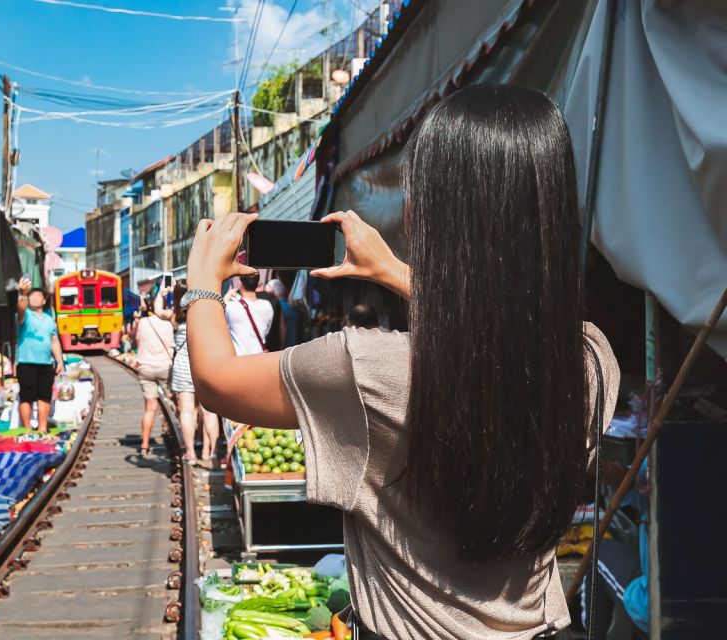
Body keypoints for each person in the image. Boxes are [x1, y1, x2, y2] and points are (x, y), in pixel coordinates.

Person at [184, 84, 620, 639]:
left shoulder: (368, 371)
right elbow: (497, 339)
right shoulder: (590, 362)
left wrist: (202, 283)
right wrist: (393, 273)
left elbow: (217, 381)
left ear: (430, 218)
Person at [170, 284, 220, 464]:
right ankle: (211, 452)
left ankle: (190, 452)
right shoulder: (203, 317)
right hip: (203, 367)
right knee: (209, 412)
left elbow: (158, 309)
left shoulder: (174, 317)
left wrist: (163, 293)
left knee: (186, 411)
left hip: (183, 368)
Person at [17, 277, 64, 432]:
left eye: (38, 296)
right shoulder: (25, 316)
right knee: (26, 396)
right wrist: (23, 294)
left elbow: (54, 341)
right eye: (32, 295)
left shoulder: (49, 320)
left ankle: (42, 427)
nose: (34, 298)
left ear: (44, 301)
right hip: (26, 362)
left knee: (44, 395)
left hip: (45, 363)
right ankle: (27, 428)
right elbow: (21, 308)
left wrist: (60, 361)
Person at [134, 291, 175, 456]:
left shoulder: (143, 323)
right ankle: (178, 438)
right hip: (166, 367)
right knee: (175, 405)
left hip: (146, 368)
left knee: (150, 409)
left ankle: (144, 445)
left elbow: (135, 340)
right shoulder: (169, 322)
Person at [223, 274, 274, 356]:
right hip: (260, 356)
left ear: (240, 284)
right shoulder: (267, 305)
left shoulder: (231, 306)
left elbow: (217, 320)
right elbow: (268, 328)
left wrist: (226, 297)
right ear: (258, 283)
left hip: (240, 358)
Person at [266, 279, 299, 347]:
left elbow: (283, 329)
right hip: (294, 346)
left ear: (271, 292)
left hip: (283, 349)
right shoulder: (293, 309)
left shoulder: (277, 308)